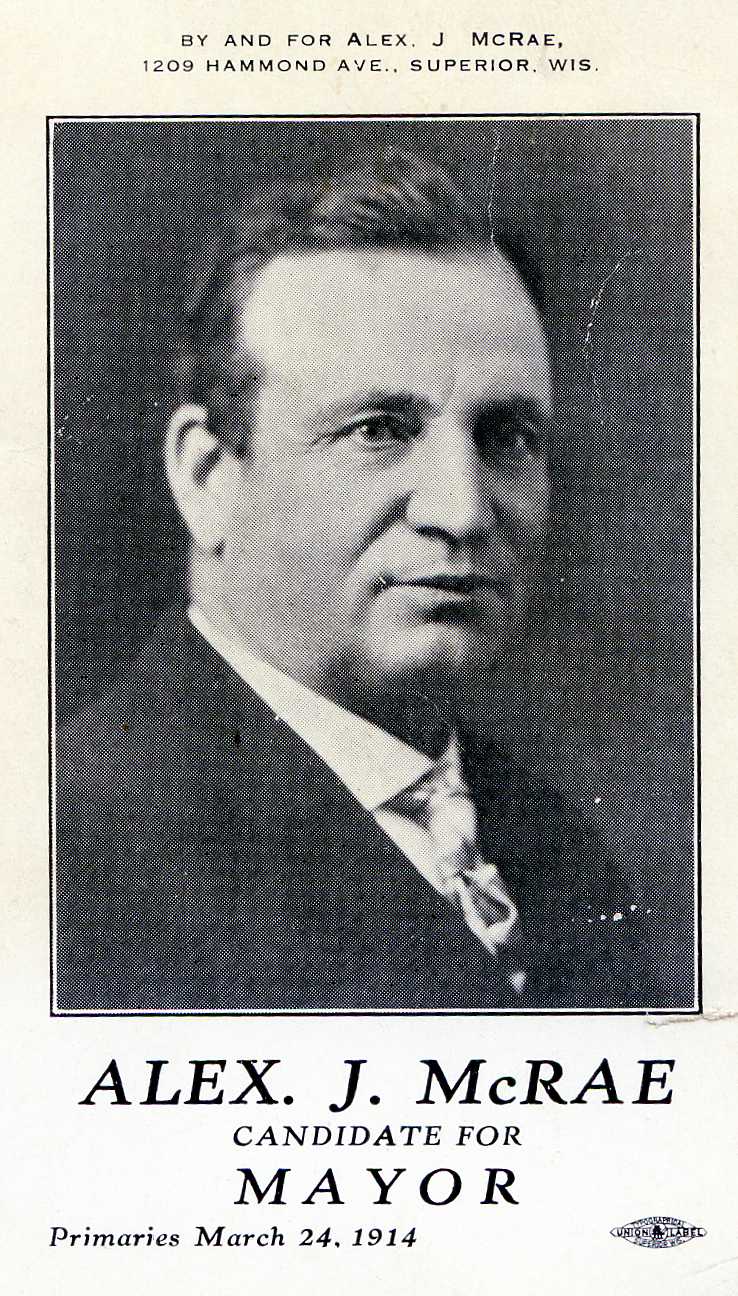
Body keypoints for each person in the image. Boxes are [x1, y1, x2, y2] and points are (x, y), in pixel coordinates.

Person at [55, 149, 659, 1011]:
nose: (463, 510)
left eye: (508, 437)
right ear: (207, 476)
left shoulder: (558, 850)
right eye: (378, 430)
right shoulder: (70, 860)